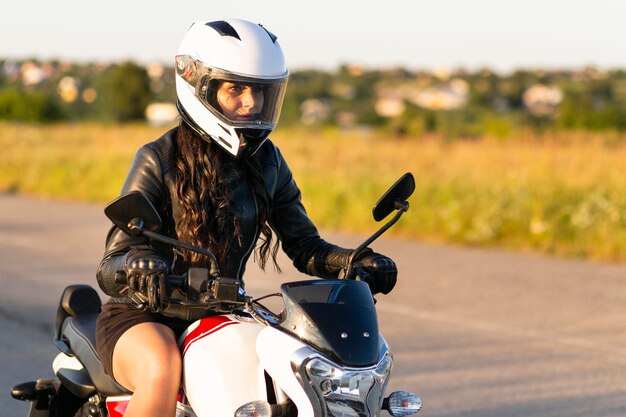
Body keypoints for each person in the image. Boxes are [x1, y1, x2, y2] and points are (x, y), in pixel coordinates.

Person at [95, 18, 398, 417]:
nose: (251, 103)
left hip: (222, 313)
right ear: (199, 85)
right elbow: (112, 262)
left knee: (283, 377)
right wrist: (139, 264)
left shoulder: (267, 162)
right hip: (145, 313)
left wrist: (352, 261)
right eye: (235, 89)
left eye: (258, 90)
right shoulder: (159, 157)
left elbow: (305, 245)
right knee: (161, 368)